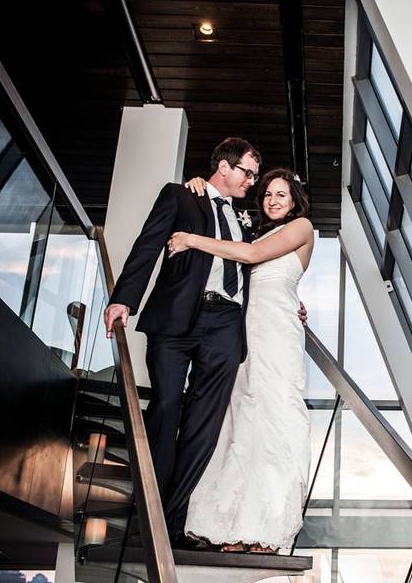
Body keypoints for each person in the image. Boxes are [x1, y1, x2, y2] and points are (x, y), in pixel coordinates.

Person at [102, 138, 304, 549]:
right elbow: (147, 246)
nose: (254, 183)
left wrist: (292, 303)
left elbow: (259, 259)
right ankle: (149, 519)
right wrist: (124, 298)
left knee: (204, 428)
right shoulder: (181, 195)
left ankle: (173, 525)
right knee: (164, 409)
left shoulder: (248, 219)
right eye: (248, 173)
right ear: (224, 168)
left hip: (228, 326)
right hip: (177, 321)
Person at [166, 167, 314, 553]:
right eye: (267, 194)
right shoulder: (257, 231)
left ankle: (267, 529)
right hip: (245, 334)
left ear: (295, 200)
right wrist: (201, 185)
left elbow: (251, 256)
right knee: (242, 424)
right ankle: (235, 525)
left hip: (277, 335)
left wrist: (192, 239)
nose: (272, 200)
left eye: (281, 194)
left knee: (274, 420)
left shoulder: (302, 228)